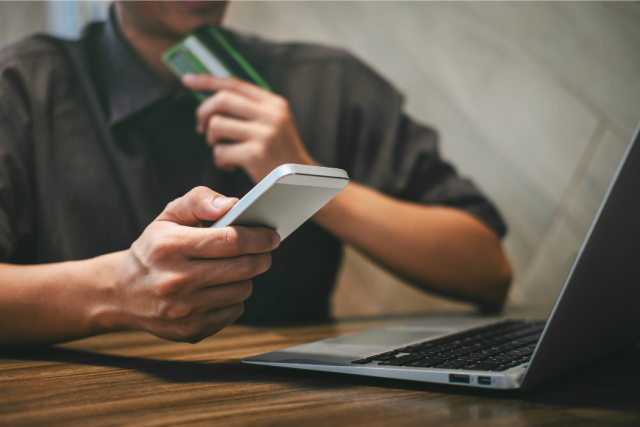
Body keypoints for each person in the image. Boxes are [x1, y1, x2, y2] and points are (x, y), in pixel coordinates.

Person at [0, 1, 512, 346]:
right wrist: (115, 290)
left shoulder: (330, 83)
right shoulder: (21, 87)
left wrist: (304, 174)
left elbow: (487, 269)